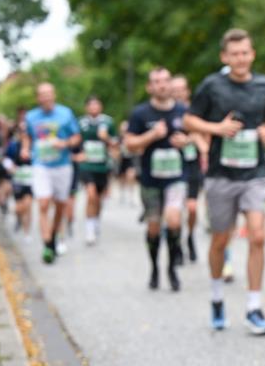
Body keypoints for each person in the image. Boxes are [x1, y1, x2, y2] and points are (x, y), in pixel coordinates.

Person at [184, 28, 265, 334]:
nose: (240, 58)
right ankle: (217, 298)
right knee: (220, 240)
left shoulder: (264, 85)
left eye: (245, 53)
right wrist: (216, 128)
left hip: (254, 173)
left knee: (257, 236)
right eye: (234, 54)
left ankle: (254, 307)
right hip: (220, 175)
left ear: (252, 54)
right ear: (225, 57)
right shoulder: (212, 85)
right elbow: (189, 120)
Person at [126, 67, 188, 291]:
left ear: (171, 84)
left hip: (176, 177)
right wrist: (152, 135)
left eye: (165, 81)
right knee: (153, 227)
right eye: (156, 81)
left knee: (173, 220)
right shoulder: (140, 114)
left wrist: (186, 140)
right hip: (150, 180)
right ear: (149, 87)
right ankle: (154, 268)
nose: (162, 85)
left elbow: (198, 136)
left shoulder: (184, 111)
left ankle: (172, 268)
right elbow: (130, 143)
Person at [21, 82, 81, 264]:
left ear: (54, 95)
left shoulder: (65, 113)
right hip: (41, 165)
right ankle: (47, 244)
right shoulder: (31, 117)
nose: (46, 97)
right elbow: (27, 136)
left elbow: (77, 137)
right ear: (38, 98)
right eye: (42, 94)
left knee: (60, 206)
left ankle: (54, 235)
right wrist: (25, 148)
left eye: (49, 93)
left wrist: (64, 144)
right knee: (44, 203)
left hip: (62, 166)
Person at [171, 74, 210, 263]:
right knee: (174, 211)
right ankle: (176, 244)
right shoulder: (165, 113)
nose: (178, 93)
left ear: (187, 91)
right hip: (172, 168)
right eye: (174, 89)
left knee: (192, 208)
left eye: (181, 89)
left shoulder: (196, 114)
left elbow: (205, 141)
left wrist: (194, 140)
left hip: (192, 166)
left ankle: (190, 237)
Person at [77, 96, 118, 246]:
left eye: (97, 104)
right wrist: (77, 154)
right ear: (87, 107)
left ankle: (95, 222)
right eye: (91, 105)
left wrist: (106, 138)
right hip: (87, 166)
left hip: (102, 166)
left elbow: (115, 143)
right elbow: (75, 141)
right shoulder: (81, 123)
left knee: (99, 199)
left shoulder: (108, 122)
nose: (94, 107)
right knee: (91, 195)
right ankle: (89, 230)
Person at [3, 117, 34, 241]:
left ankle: (27, 233)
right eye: (21, 131)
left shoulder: (34, 146)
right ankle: (17, 216)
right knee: (19, 207)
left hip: (30, 181)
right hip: (18, 181)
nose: (23, 134)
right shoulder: (13, 146)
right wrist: (11, 167)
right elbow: (6, 159)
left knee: (28, 205)